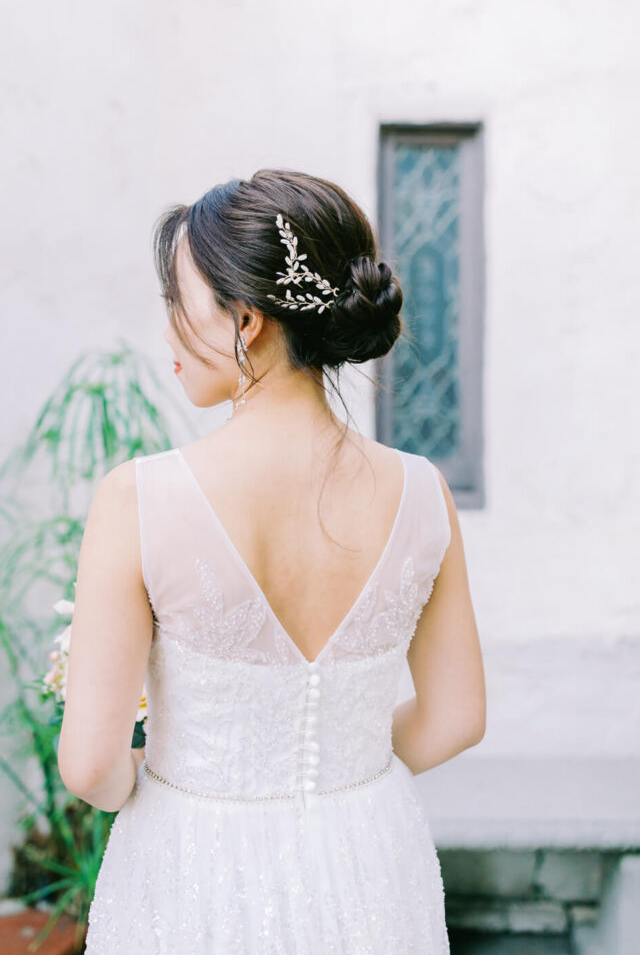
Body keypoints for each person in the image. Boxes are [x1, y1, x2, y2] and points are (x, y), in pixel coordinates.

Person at [58, 168, 486, 953]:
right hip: (370, 859)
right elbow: (457, 719)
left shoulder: (139, 499)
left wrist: (155, 781)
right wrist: (340, 764)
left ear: (246, 319)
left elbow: (91, 765)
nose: (167, 333)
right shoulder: (424, 494)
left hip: (193, 862)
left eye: (176, 303)